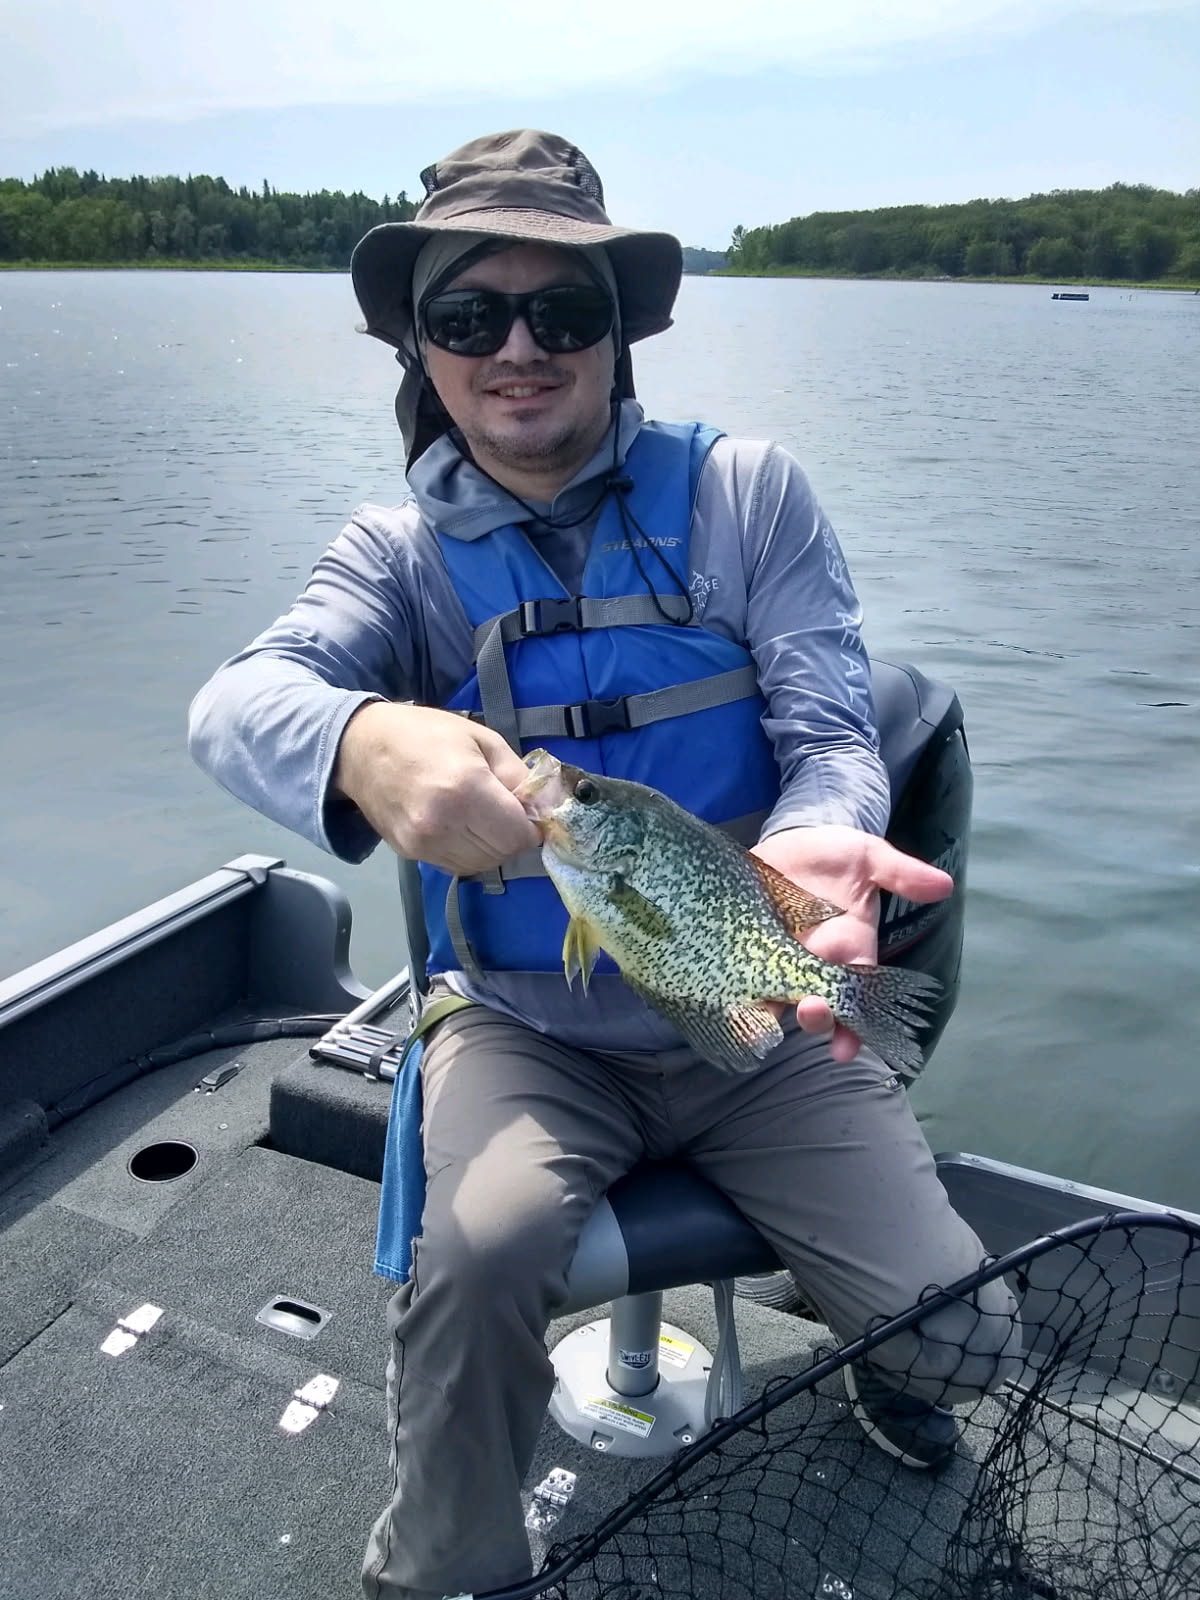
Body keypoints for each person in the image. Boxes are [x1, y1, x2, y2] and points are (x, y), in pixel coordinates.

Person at [188, 129, 1020, 1600]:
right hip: (525, 1021)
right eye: (470, 316)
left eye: (562, 313)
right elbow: (238, 703)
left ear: (617, 333)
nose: (519, 348)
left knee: (966, 1334)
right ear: (422, 349)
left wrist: (811, 845)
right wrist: (364, 740)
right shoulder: (390, 555)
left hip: (753, 1011)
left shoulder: (749, 494)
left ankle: (889, 1373)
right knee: (479, 1259)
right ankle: (443, 1571)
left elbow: (830, 730)